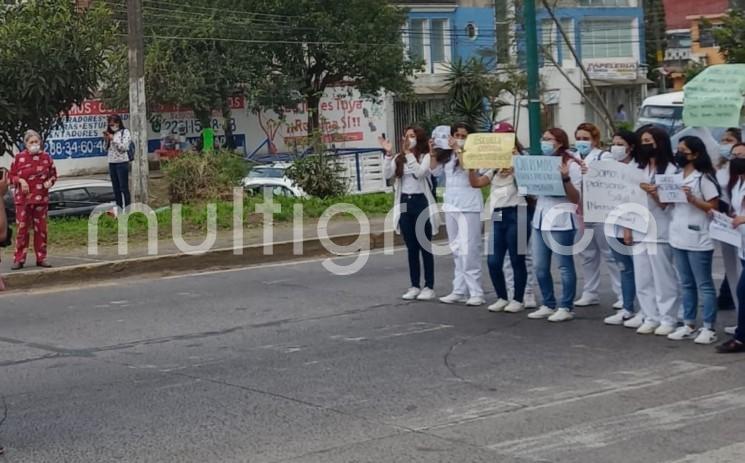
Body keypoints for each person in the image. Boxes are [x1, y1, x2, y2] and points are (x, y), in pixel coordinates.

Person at [667, 136, 721, 344]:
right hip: (678, 234)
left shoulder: (703, 178)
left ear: (695, 154)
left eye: (683, 151)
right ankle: (688, 323)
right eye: (678, 150)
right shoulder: (676, 176)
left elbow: (713, 207)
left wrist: (692, 199)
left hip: (699, 237)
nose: (679, 154)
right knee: (686, 283)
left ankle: (709, 327)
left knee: (704, 284)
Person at [469, 125, 529, 313]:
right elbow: (477, 183)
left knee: (516, 258)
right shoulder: (492, 162)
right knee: (493, 260)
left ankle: (518, 299)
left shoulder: (522, 158)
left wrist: (515, 167)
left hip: (517, 210)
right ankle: (502, 297)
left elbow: (531, 184)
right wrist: (471, 168)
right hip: (498, 213)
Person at [527, 128, 582, 322]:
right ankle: (548, 303)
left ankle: (566, 306)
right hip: (541, 218)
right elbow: (534, 194)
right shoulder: (540, 162)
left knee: (564, 266)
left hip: (562, 220)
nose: (544, 142)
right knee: (540, 265)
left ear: (559, 142)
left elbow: (576, 197)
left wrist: (565, 178)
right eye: (543, 138)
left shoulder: (571, 164)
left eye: (548, 139)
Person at [631, 126, 680, 335]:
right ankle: (650, 315)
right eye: (642, 141)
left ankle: (668, 317)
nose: (645, 145)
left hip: (660, 229)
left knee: (663, 277)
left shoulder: (671, 170)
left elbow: (668, 204)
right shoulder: (638, 168)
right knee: (642, 277)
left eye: (648, 140)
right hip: (639, 228)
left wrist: (653, 193)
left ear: (659, 143)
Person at [381, 127, 440, 301]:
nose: (409, 139)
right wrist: (388, 154)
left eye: (412, 136)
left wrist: (409, 154)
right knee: (411, 247)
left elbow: (420, 173)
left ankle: (429, 286)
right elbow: (387, 174)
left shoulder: (425, 156)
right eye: (406, 136)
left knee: (424, 246)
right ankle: (414, 285)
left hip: (421, 202)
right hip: (405, 203)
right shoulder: (399, 158)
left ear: (419, 138)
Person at [432, 123, 485, 307]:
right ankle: (459, 290)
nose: (460, 138)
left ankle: (476, 291)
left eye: (463, 135)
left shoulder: (473, 153)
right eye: (457, 134)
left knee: (470, 249)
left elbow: (468, 166)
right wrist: (433, 151)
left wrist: (459, 149)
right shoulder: (447, 155)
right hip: (451, 204)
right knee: (456, 248)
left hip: (469, 204)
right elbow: (434, 170)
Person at [573, 122, 623, 309]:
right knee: (587, 254)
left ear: (595, 140)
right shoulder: (573, 158)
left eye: (586, 139)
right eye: (578, 139)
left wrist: (593, 173)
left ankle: (621, 294)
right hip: (581, 211)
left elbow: (612, 180)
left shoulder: (605, 157)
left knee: (609, 254)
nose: (581, 142)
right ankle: (590, 292)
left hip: (602, 211)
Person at [602, 130, 640, 326]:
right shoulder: (608, 168)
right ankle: (627, 308)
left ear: (631, 147)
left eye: (620, 143)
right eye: (613, 143)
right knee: (624, 269)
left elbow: (634, 200)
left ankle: (645, 310)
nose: (615, 147)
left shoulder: (637, 170)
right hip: (612, 225)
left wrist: (628, 227)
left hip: (632, 228)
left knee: (641, 270)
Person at [8, 130, 57, 270]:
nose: (35, 145)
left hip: (41, 200)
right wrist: (21, 180)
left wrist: (50, 182)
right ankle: (19, 259)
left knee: (41, 230)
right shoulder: (19, 158)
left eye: (37, 142)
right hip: (23, 201)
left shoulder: (47, 158)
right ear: (26, 144)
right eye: (31, 142)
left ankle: (41, 258)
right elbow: (11, 177)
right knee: (22, 231)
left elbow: (53, 175)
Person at [716, 143, 745, 353]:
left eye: (742, 155)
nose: (736, 159)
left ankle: (741, 337)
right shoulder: (736, 183)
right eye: (734, 155)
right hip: (743, 245)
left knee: (743, 290)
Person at [715, 128, 743, 313]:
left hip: (740, 229)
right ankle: (740, 319)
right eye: (723, 140)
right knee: (732, 272)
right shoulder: (721, 169)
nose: (725, 143)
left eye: (730, 140)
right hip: (727, 226)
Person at [104, 114, 132, 211]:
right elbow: (106, 149)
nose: (113, 126)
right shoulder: (110, 133)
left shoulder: (125, 132)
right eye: (111, 124)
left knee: (123, 187)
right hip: (112, 162)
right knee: (116, 189)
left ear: (119, 123)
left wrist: (114, 139)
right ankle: (119, 209)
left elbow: (124, 148)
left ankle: (128, 209)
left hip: (122, 162)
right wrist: (106, 140)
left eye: (114, 123)